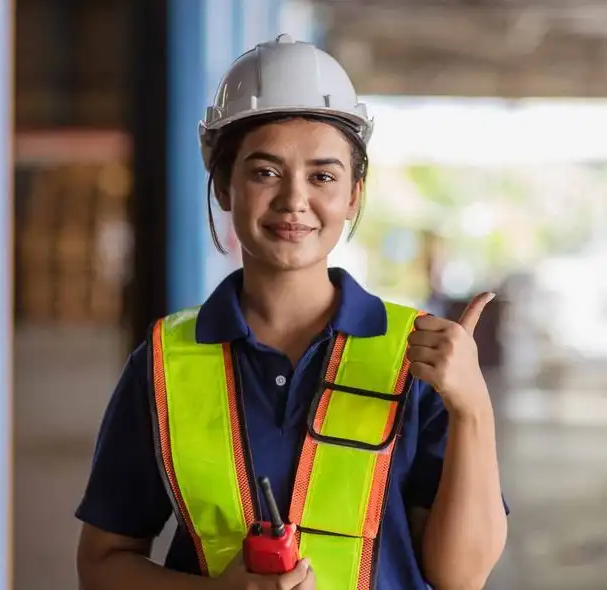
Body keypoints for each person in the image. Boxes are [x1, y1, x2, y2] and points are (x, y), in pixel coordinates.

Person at [74, 34, 508, 590]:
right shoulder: (165, 361)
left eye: (323, 176)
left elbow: (461, 577)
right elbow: (101, 564)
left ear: (353, 194)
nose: (294, 200)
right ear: (225, 188)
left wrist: (472, 406)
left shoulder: (416, 355)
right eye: (265, 172)